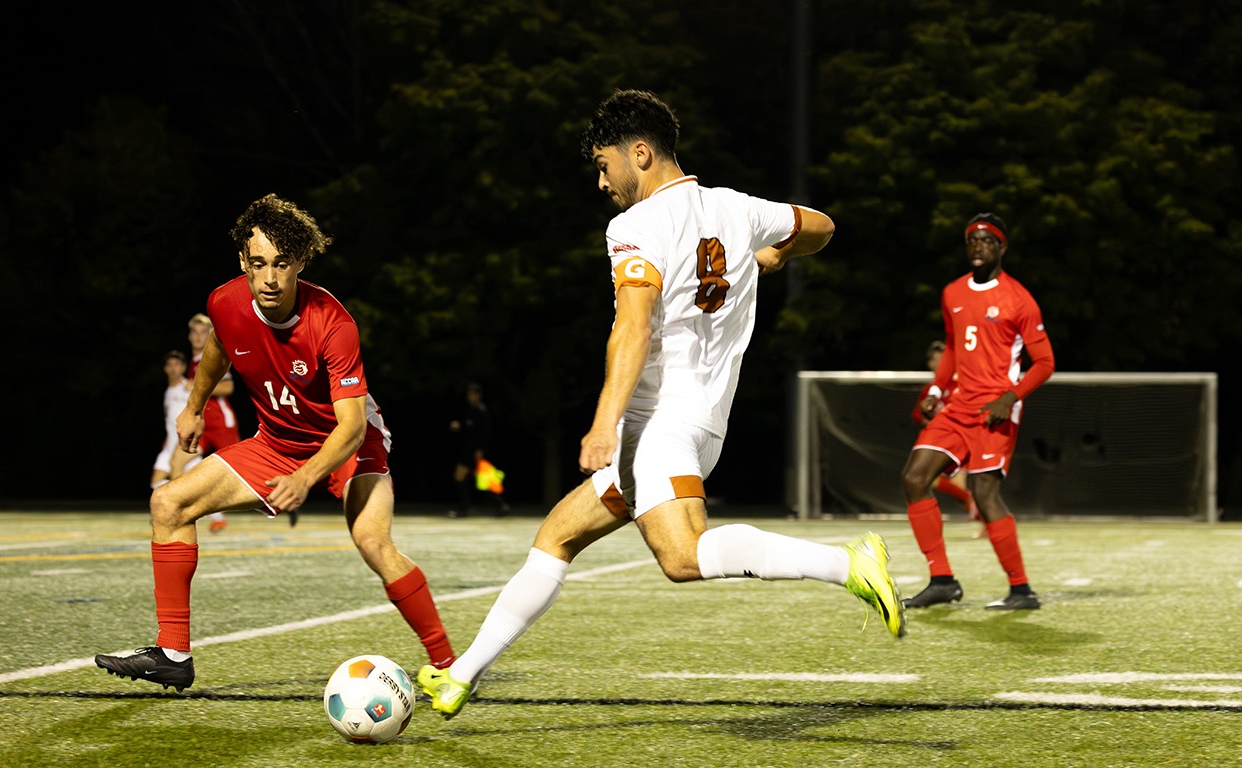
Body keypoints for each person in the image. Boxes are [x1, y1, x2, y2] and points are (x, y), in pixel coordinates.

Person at [417, 89, 905, 720]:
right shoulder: (737, 208)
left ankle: (847, 564)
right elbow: (822, 226)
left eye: (603, 164)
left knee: (682, 557)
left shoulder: (635, 226)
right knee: (557, 537)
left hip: (662, 425)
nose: (601, 182)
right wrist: (775, 252)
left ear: (639, 153)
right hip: (699, 423)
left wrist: (601, 424)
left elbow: (634, 327)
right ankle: (461, 676)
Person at [95, 193, 455, 691]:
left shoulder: (333, 323)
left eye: (282, 264)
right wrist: (195, 406)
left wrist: (307, 477)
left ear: (300, 263)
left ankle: (449, 667)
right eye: (258, 263)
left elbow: (350, 426)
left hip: (352, 447)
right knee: (168, 503)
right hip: (276, 446)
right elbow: (221, 343)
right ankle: (173, 654)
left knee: (373, 542)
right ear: (243, 261)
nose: (269, 278)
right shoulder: (225, 302)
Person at [900, 212, 1054, 611]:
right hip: (957, 406)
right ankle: (942, 580)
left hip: (994, 411)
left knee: (985, 495)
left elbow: (1045, 363)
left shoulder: (1019, 299)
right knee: (915, 477)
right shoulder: (952, 292)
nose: (978, 247)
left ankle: (1022, 590)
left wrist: (1011, 397)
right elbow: (952, 348)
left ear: (1002, 247)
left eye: (987, 240)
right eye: (972, 240)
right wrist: (936, 389)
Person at [910, 340, 983, 538]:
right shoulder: (930, 389)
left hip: (960, 438)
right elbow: (917, 415)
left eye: (943, 358)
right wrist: (929, 420)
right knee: (936, 482)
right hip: (939, 440)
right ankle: (975, 510)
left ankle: (977, 512)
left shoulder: (960, 384)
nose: (940, 362)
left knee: (977, 482)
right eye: (935, 360)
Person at [182, 313, 243, 533]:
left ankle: (278, 498)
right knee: (183, 466)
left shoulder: (214, 357)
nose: (198, 336)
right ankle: (207, 515)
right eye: (194, 332)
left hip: (220, 424)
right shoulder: (192, 363)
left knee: (240, 472)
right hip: (202, 425)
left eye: (203, 332)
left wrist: (196, 388)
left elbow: (228, 388)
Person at [447, 382, 509, 518]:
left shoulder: (481, 412)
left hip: (474, 451)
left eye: (472, 394)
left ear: (478, 395)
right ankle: (499, 505)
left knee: (465, 476)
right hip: (468, 450)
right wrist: (459, 426)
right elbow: (468, 428)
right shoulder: (470, 410)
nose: (469, 397)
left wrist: (481, 449)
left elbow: (485, 433)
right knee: (478, 479)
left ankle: (466, 508)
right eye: (469, 394)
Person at [149, 350, 202, 491]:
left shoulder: (188, 387)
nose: (173, 368)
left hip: (185, 443)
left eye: (177, 364)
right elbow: (170, 419)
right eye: (170, 365)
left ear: (183, 368)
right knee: (156, 483)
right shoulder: (168, 391)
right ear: (165, 368)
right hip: (170, 445)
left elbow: (199, 414)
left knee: (186, 486)